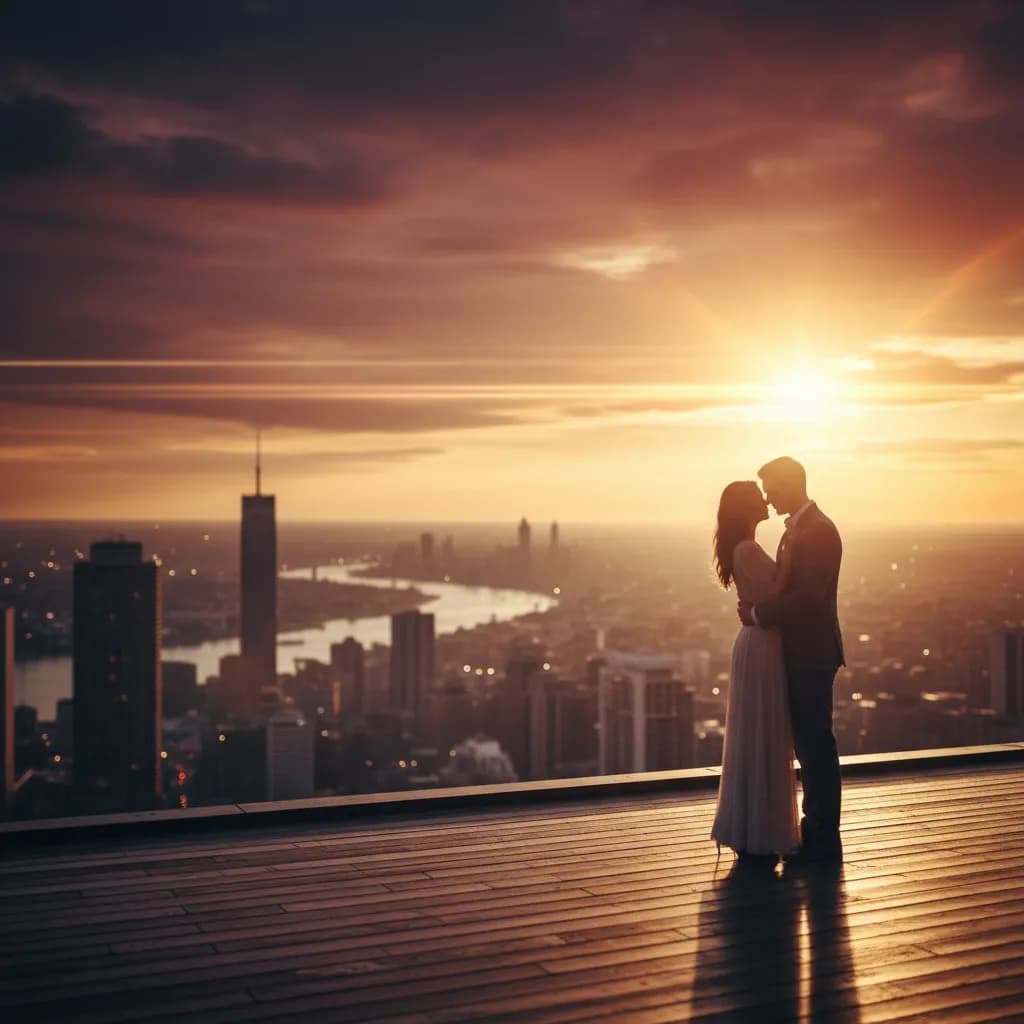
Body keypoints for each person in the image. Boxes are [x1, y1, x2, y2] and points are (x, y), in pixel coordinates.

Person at [738, 456, 845, 866]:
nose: (767, 496)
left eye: (771, 487)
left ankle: (821, 834)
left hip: (811, 653)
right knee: (808, 743)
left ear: (789, 483)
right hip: (801, 651)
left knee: (815, 744)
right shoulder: (800, 529)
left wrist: (759, 615)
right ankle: (815, 828)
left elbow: (809, 598)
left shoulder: (817, 531)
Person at [710, 480, 799, 865]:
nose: (767, 499)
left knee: (758, 734)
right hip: (762, 645)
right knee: (763, 733)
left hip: (758, 642)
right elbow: (783, 591)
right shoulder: (747, 550)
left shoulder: (743, 548)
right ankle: (760, 831)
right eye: (758, 496)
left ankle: (753, 829)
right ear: (747, 507)